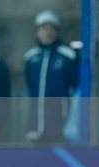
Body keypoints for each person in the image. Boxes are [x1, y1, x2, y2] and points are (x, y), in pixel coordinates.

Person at [24, 10, 78, 143]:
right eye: (43, 28)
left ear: (57, 31)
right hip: (36, 126)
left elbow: (75, 90)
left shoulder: (68, 56)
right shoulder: (31, 58)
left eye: (51, 28)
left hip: (62, 125)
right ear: (37, 32)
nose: (47, 32)